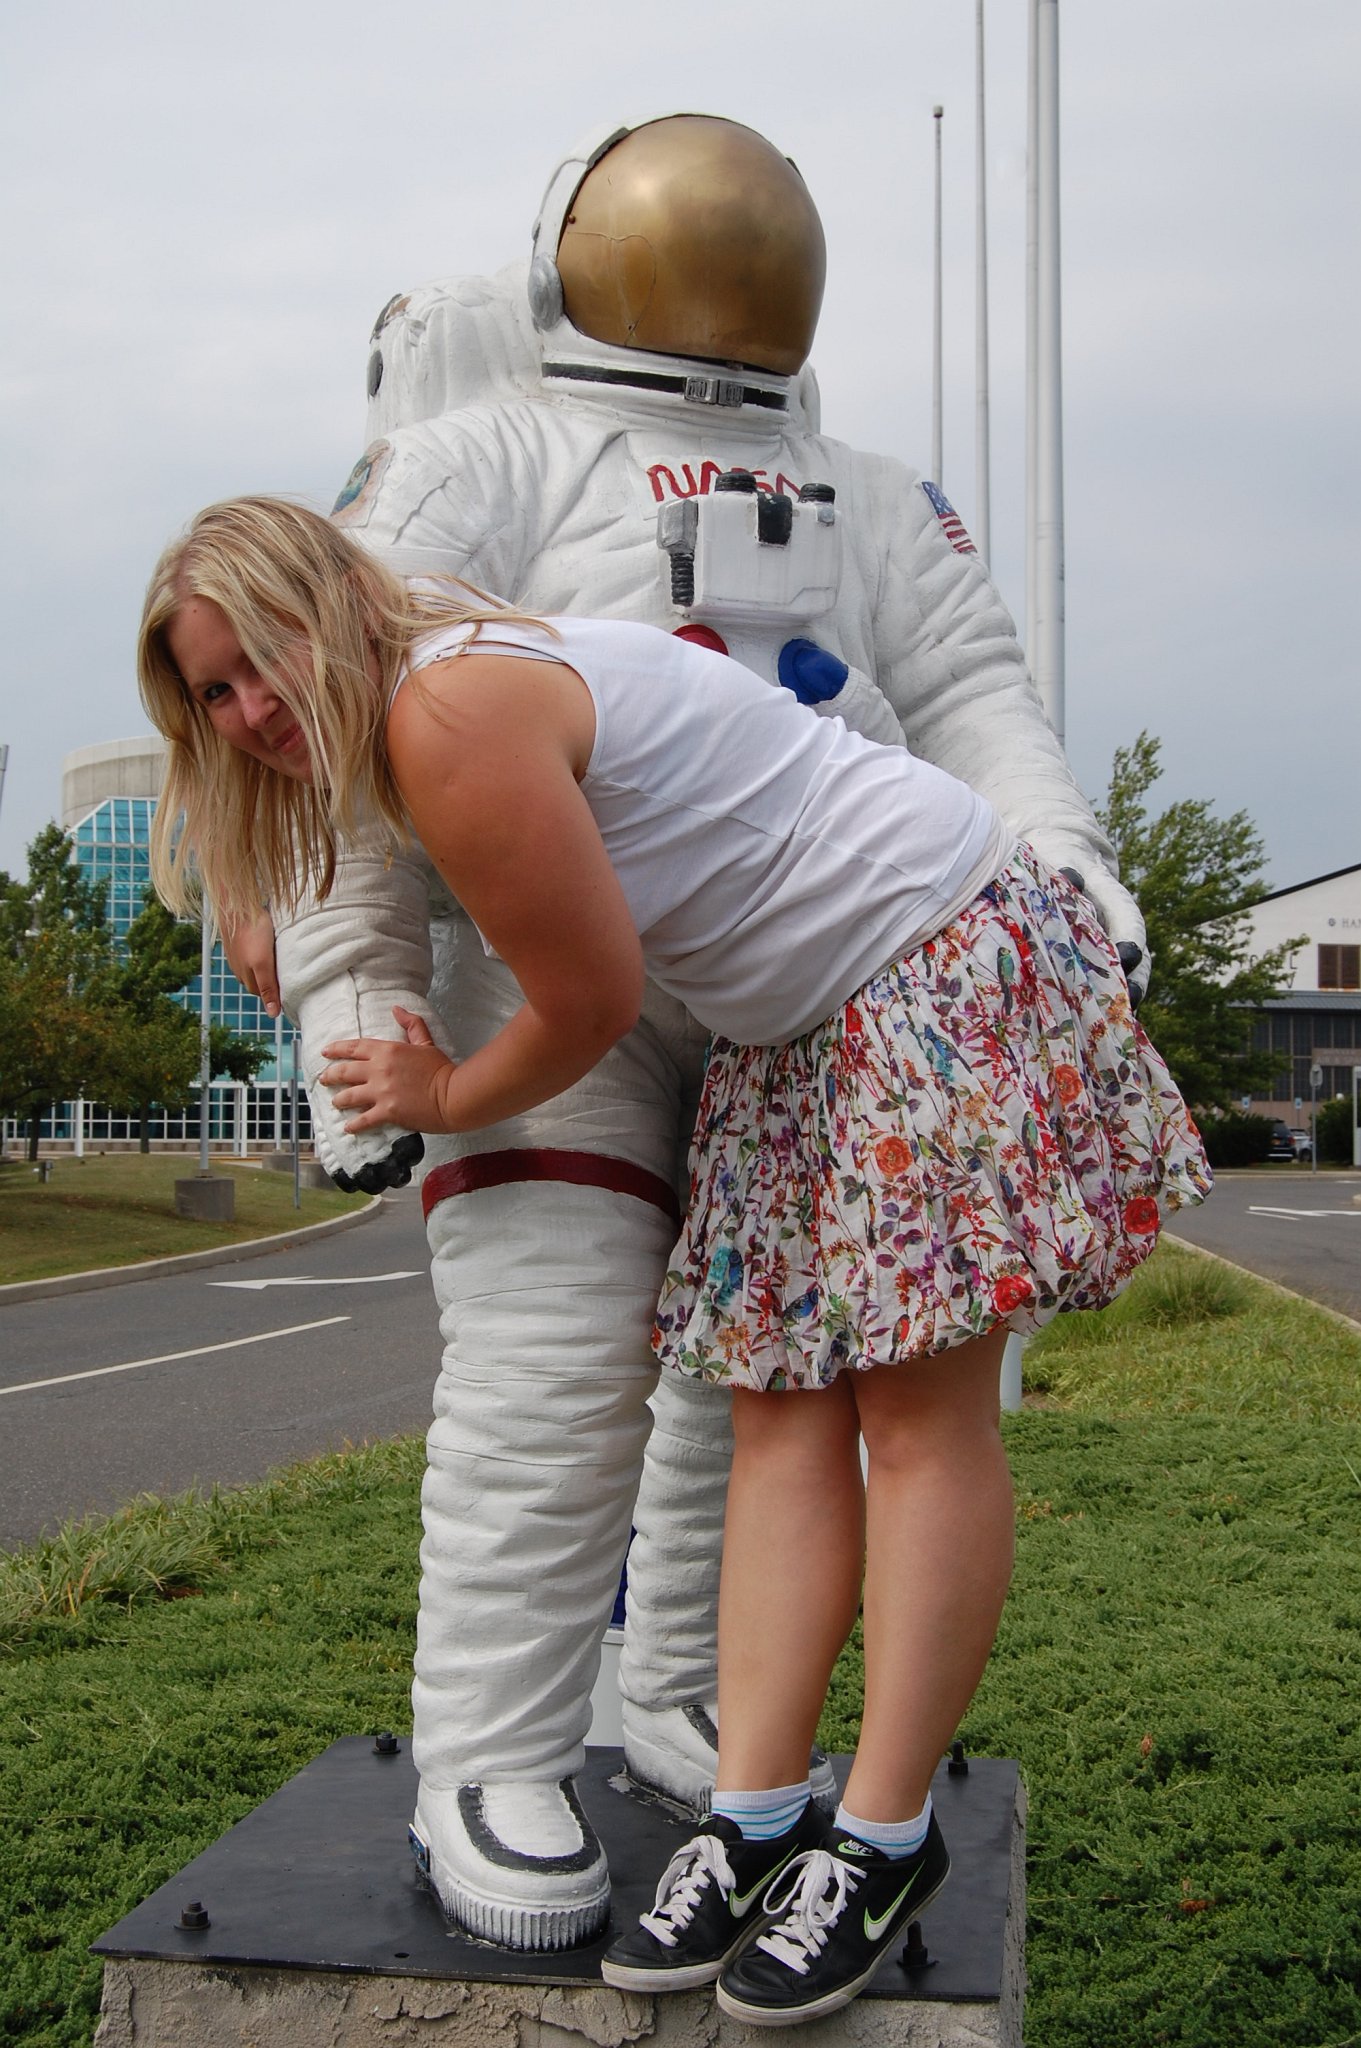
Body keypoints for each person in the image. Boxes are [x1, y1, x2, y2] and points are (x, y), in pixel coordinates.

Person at [259, 112, 1153, 1950]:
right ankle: (491, 1752)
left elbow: (974, 696)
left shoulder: (866, 492)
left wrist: (1062, 864)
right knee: (554, 1363)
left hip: (808, 996)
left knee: (744, 1383)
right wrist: (363, 1000)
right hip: (547, 997)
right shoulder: (479, 455)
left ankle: (680, 1698)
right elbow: (338, 733)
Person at [139, 496, 1209, 2023]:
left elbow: (586, 999)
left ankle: (881, 1837)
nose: (250, 709)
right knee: (776, 1419)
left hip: (921, 950)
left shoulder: (445, 711)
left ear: (337, 602)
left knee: (912, 1425)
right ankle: (756, 1816)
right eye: (213, 689)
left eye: (265, 654)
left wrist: (443, 1093)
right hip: (789, 1024)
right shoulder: (416, 703)